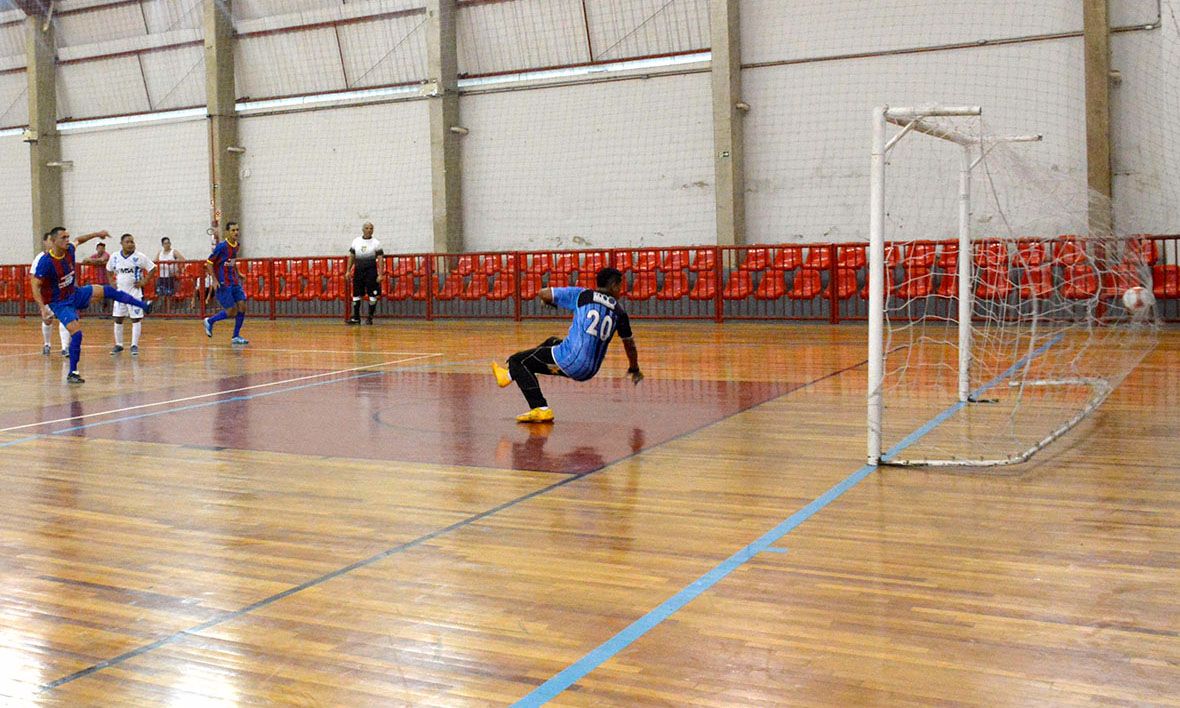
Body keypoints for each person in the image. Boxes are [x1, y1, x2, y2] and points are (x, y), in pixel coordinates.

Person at [491, 267, 642, 422]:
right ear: (614, 286)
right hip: (590, 369)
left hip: (571, 361)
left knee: (518, 360)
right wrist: (634, 368)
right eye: (621, 287)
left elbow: (543, 293)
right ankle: (509, 375)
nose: (621, 291)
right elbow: (630, 345)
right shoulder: (620, 312)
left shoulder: (582, 295)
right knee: (551, 342)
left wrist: (548, 301)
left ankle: (540, 408)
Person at [31, 226, 153, 384]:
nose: (67, 240)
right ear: (53, 241)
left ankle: (143, 305)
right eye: (63, 238)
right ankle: (73, 372)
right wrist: (42, 308)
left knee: (109, 291)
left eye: (68, 237)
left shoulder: (69, 249)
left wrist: (97, 234)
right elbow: (35, 285)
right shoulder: (46, 262)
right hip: (60, 303)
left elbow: (79, 240)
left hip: (74, 293)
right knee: (77, 333)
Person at [106, 233, 156, 355]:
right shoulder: (115, 256)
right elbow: (108, 269)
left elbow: (152, 268)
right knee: (118, 318)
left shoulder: (140, 257)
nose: (130, 244)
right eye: (127, 242)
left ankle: (134, 345)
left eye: (132, 242)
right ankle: (119, 344)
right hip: (120, 294)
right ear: (121, 243)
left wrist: (144, 281)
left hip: (135, 294)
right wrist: (111, 281)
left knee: (136, 319)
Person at [202, 221, 248, 344]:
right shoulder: (221, 247)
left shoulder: (236, 245)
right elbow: (209, 263)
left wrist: (238, 273)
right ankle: (210, 321)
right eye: (233, 230)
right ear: (227, 232)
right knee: (231, 311)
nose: (236, 232)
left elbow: (232, 260)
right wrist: (215, 280)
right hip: (223, 282)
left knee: (242, 306)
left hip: (233, 280)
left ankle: (236, 336)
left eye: (237, 230)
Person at [31, 232, 70, 356]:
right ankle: (47, 344)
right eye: (49, 240)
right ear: (45, 242)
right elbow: (34, 279)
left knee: (65, 318)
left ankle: (65, 347)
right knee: (48, 319)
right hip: (48, 294)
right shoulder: (41, 258)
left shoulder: (64, 255)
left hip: (63, 293)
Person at [346, 222, 384, 324]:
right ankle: (356, 318)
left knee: (372, 295)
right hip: (359, 271)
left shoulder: (376, 243)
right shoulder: (356, 241)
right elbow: (352, 256)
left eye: (371, 228)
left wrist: (380, 274)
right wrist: (348, 271)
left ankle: (370, 318)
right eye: (367, 228)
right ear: (363, 230)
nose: (369, 230)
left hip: (371, 272)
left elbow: (380, 259)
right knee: (356, 294)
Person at [155, 237, 184, 309]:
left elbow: (183, 259)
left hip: (171, 276)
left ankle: (169, 311)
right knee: (161, 293)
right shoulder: (160, 252)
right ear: (162, 245)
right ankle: (163, 310)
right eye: (165, 243)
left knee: (169, 294)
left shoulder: (174, 252)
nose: (167, 245)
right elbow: (155, 261)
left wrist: (173, 262)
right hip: (161, 275)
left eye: (168, 243)